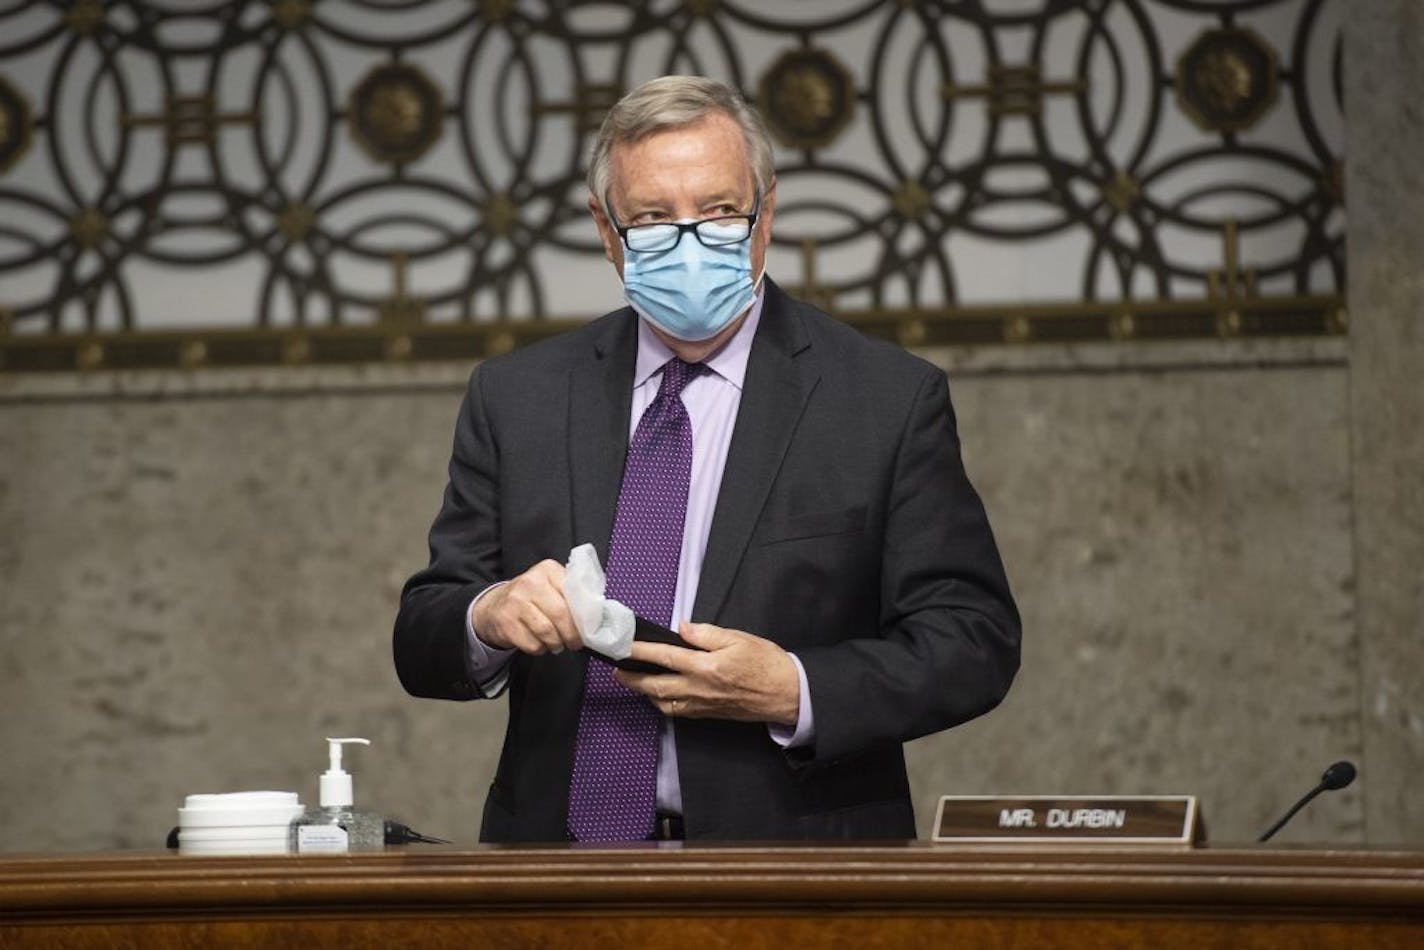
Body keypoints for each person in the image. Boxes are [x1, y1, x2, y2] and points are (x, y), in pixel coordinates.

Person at [393, 75, 1020, 843]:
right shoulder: (516, 396)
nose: (689, 240)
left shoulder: (886, 400)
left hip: (799, 873)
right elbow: (424, 635)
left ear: (766, 215)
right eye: (654, 218)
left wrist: (793, 688)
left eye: (719, 211)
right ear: (605, 228)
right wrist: (485, 617)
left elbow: (971, 640)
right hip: (556, 870)